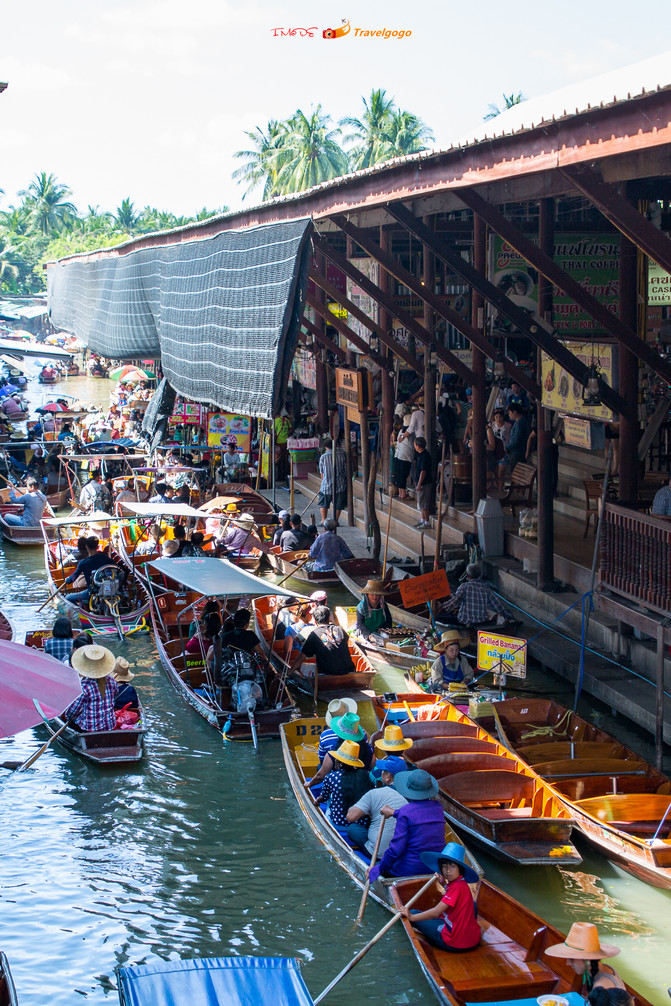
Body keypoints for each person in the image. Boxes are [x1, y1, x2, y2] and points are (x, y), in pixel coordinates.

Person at [367, 768, 446, 884]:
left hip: (408, 870)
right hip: (434, 867)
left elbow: (395, 851)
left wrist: (377, 869)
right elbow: (417, 815)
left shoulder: (405, 812)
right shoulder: (438, 808)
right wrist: (394, 813)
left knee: (380, 865)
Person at [398, 843, 481, 952]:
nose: (448, 871)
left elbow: (436, 912)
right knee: (472, 905)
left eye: (452, 866)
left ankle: (424, 932)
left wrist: (411, 917)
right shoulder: (461, 883)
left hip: (455, 944)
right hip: (473, 940)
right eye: (445, 867)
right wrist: (442, 882)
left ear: (459, 868)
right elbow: (451, 892)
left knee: (413, 913)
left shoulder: (455, 888)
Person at [346, 754, 408, 855]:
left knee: (353, 828)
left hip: (378, 852)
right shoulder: (414, 796)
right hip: (402, 851)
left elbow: (351, 817)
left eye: (383, 771)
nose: (381, 773)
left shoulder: (374, 793)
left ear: (388, 777)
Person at [545, 922, 626, 996]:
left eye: (572, 959)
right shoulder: (606, 968)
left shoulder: (601, 986)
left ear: (588, 960)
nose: (568, 963)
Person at [307, 708, 374, 786]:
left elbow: (320, 775)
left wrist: (309, 784)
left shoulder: (332, 753)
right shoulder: (369, 748)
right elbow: (371, 768)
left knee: (320, 766)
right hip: (362, 784)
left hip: (341, 786)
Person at [62, 645, 119, 731]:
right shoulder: (112, 681)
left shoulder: (85, 686)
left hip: (90, 728)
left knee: (72, 718)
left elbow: (71, 713)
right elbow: (114, 696)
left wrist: (67, 715)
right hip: (110, 725)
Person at [316, 741, 372, 828]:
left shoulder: (331, 777)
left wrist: (317, 801)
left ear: (339, 762)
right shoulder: (366, 776)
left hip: (338, 823)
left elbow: (323, 798)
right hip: (361, 824)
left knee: (330, 800)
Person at [439, 563, 514, 628]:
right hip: (481, 622)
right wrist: (508, 615)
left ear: (468, 576)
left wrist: (441, 607)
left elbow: (454, 602)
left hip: (465, 621)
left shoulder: (464, 586)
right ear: (479, 575)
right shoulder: (486, 588)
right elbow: (497, 606)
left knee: (439, 617)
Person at [292, 604, 355, 676]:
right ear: (329, 618)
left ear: (315, 620)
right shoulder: (339, 629)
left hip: (326, 674)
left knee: (301, 666)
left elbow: (301, 657)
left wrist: (288, 673)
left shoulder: (314, 635)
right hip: (349, 670)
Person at [64, 536, 113, 605]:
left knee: (68, 598)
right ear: (97, 546)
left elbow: (73, 578)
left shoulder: (83, 563)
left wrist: (67, 580)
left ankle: (80, 610)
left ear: (86, 547)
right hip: (109, 588)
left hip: (92, 592)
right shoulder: (105, 557)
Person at [318, 437, 347, 525]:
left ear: (326, 446)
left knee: (323, 503)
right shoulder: (342, 454)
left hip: (326, 485)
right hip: (340, 484)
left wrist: (323, 480)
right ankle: (336, 520)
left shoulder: (323, 457)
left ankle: (323, 520)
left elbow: (322, 473)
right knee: (338, 504)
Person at [393, 414, 416, 500]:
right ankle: (403, 494)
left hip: (398, 455)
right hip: (405, 457)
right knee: (403, 475)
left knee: (400, 474)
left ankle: (401, 493)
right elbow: (413, 446)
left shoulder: (401, 431)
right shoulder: (410, 434)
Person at [413, 436, 433, 529]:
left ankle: (427, 521)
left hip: (424, 483)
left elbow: (423, 471)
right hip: (420, 483)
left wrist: (420, 483)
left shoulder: (425, 456)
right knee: (421, 503)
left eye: (415, 444)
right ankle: (422, 520)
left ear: (418, 445)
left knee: (424, 503)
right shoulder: (420, 455)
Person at [505, 403, 530, 470]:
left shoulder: (520, 423)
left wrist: (507, 447)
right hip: (517, 452)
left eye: (510, 413)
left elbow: (516, 439)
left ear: (515, 412)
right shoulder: (520, 421)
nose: (509, 415)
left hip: (517, 453)